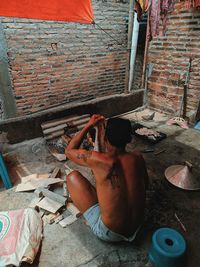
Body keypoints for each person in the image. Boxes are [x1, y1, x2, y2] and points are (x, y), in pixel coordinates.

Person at [65, 114, 149, 242]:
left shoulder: (98, 160)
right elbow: (146, 186)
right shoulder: (138, 158)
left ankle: (97, 223)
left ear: (105, 138)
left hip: (110, 233)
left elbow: (69, 150)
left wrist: (88, 126)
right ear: (128, 139)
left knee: (72, 177)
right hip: (138, 226)